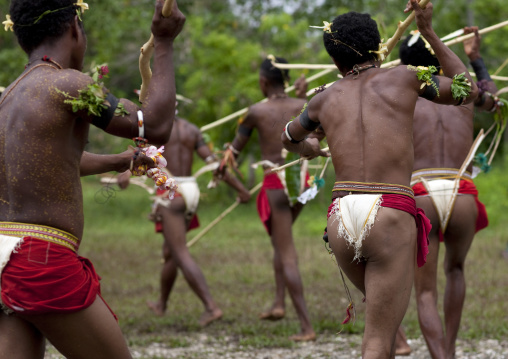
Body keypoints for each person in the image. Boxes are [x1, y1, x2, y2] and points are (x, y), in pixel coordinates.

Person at [281, 1, 478, 357]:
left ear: (334, 58)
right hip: (388, 212)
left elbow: (288, 137)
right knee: (377, 338)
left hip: (341, 219)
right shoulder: (406, 77)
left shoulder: (322, 99)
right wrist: (429, 30)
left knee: (382, 330)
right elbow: (467, 90)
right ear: (377, 46)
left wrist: (309, 146)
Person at [0, 0, 185, 358]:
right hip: (42, 261)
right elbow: (156, 124)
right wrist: (163, 43)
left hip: (6, 258)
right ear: (73, 27)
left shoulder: (9, 96)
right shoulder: (66, 83)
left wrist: (120, 161)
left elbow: (47, 160)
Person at [395, 26, 496, 358]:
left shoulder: (399, 95)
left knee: (425, 293)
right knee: (456, 270)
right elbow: (493, 101)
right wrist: (476, 60)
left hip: (422, 190)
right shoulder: (463, 91)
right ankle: (449, 352)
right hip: (461, 189)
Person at [117, 113, 251, 327]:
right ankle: (162, 303)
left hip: (172, 193)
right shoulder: (191, 129)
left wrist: (124, 172)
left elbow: (137, 158)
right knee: (170, 252)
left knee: (180, 252)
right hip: (191, 191)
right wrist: (241, 189)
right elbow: (215, 165)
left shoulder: (155, 129)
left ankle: (211, 307)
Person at [217, 56, 316, 341]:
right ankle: (278, 304)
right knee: (279, 239)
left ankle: (307, 327)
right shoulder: (302, 105)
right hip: (302, 181)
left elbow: (229, 160)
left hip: (275, 182)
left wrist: (233, 179)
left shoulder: (255, 112)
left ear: (263, 82)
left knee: (286, 251)